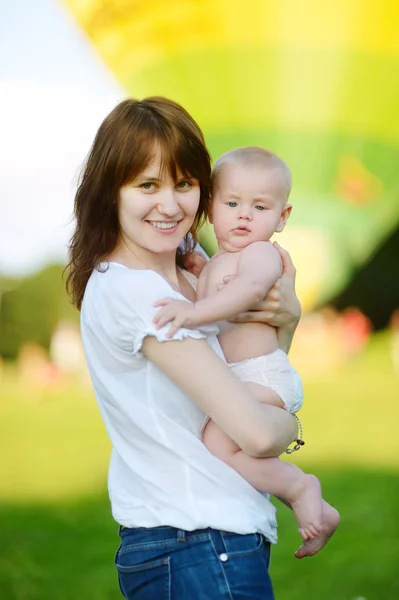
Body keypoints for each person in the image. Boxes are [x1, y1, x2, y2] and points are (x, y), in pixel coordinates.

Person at [67, 97, 315, 600]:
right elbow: (258, 434)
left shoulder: (190, 266)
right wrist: (292, 424)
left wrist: (287, 321)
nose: (170, 204)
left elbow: (257, 359)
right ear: (110, 192)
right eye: (147, 185)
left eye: (183, 183)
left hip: (218, 537)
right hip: (191, 541)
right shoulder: (135, 292)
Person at [153, 146, 340, 548]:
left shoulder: (261, 254)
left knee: (217, 443)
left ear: (282, 217)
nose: (244, 215)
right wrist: (198, 269)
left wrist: (195, 312)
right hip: (245, 377)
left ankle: (299, 487)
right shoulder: (221, 259)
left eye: (259, 207)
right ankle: (320, 511)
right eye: (232, 202)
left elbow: (249, 289)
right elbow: (219, 278)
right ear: (211, 208)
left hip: (262, 375)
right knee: (223, 446)